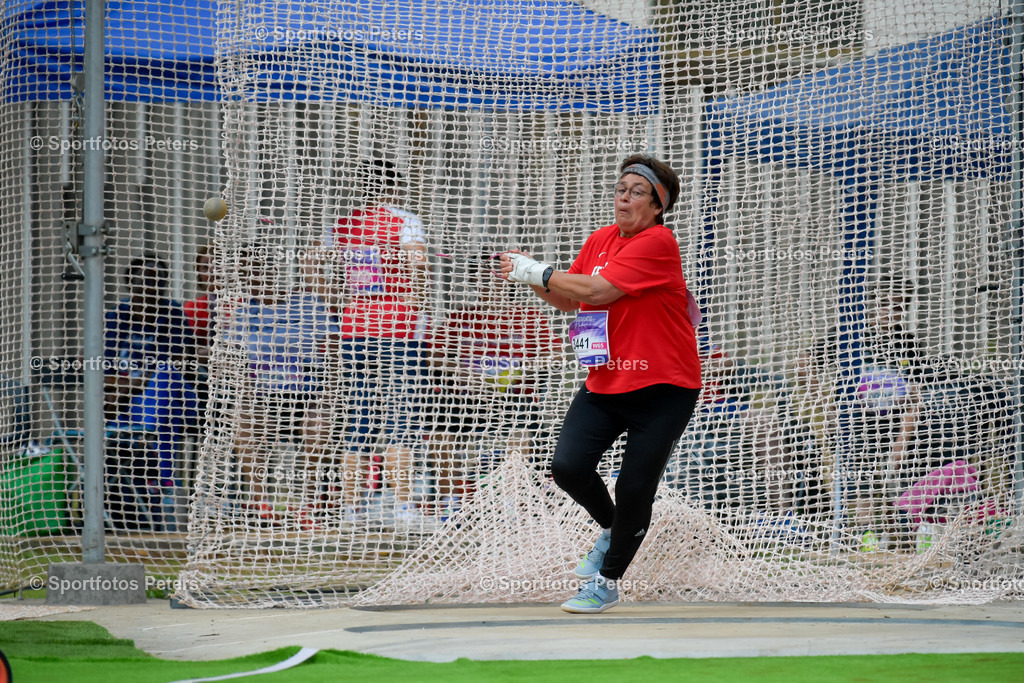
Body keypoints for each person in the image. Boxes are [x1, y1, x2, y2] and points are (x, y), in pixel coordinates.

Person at [500, 155, 702, 613]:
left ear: (657, 207)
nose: (623, 197)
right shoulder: (601, 239)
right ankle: (614, 531)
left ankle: (607, 583)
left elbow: (598, 292)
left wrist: (537, 269)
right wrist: (523, 273)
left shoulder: (658, 242)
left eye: (636, 192)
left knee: (635, 487)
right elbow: (569, 301)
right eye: (620, 188)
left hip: (664, 388)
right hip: (608, 378)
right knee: (567, 467)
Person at [321, 159, 432, 527]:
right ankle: (402, 507)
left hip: (355, 326)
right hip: (398, 325)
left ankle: (352, 509)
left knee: (359, 418)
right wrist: (417, 304)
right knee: (402, 417)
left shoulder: (342, 224)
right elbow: (417, 264)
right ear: (393, 188)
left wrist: (339, 310)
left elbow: (320, 271)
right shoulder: (404, 219)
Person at [426, 252, 563, 515]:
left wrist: (521, 370)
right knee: (439, 424)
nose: (490, 284)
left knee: (521, 426)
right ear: (475, 282)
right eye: (483, 278)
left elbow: (557, 356)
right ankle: (451, 500)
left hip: (514, 396)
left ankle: (511, 499)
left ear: (510, 281)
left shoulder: (528, 317)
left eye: (497, 278)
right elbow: (434, 356)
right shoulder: (461, 317)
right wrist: (461, 372)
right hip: (467, 396)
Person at [225, 245, 340, 529]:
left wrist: (329, 392)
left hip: (308, 391)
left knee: (319, 422)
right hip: (262, 394)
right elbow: (231, 359)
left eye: (260, 268)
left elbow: (335, 349)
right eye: (247, 272)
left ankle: (307, 503)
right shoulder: (242, 313)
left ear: (274, 270)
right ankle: (260, 502)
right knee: (243, 419)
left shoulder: (308, 304)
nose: (255, 276)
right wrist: (244, 388)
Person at [104, 254, 200, 530]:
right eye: (145, 279)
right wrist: (123, 389)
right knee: (159, 399)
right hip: (127, 407)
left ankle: (155, 463)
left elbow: (181, 363)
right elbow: (103, 368)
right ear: (129, 283)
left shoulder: (173, 314)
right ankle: (164, 482)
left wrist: (128, 387)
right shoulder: (116, 317)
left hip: (178, 400)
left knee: (164, 378)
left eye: (158, 279)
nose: (152, 285)